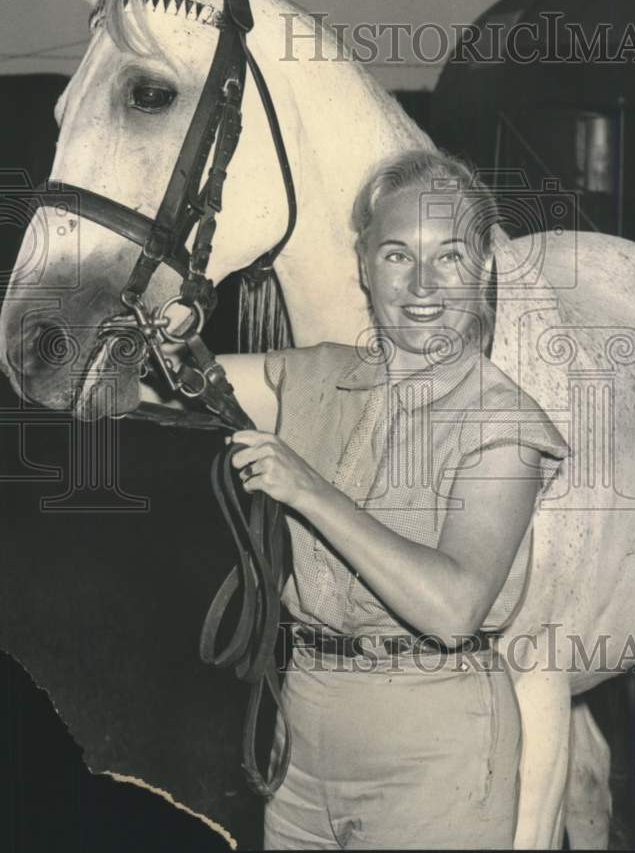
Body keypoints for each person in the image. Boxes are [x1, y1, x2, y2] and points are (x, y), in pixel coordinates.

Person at [150, 149, 570, 849]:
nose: (423, 283)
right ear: (365, 266)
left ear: (485, 268)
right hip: (303, 733)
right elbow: (140, 389)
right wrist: (164, 338)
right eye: (398, 254)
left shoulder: (504, 424)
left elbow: (454, 609)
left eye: (450, 256)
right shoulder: (319, 375)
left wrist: (309, 490)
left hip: (432, 747)